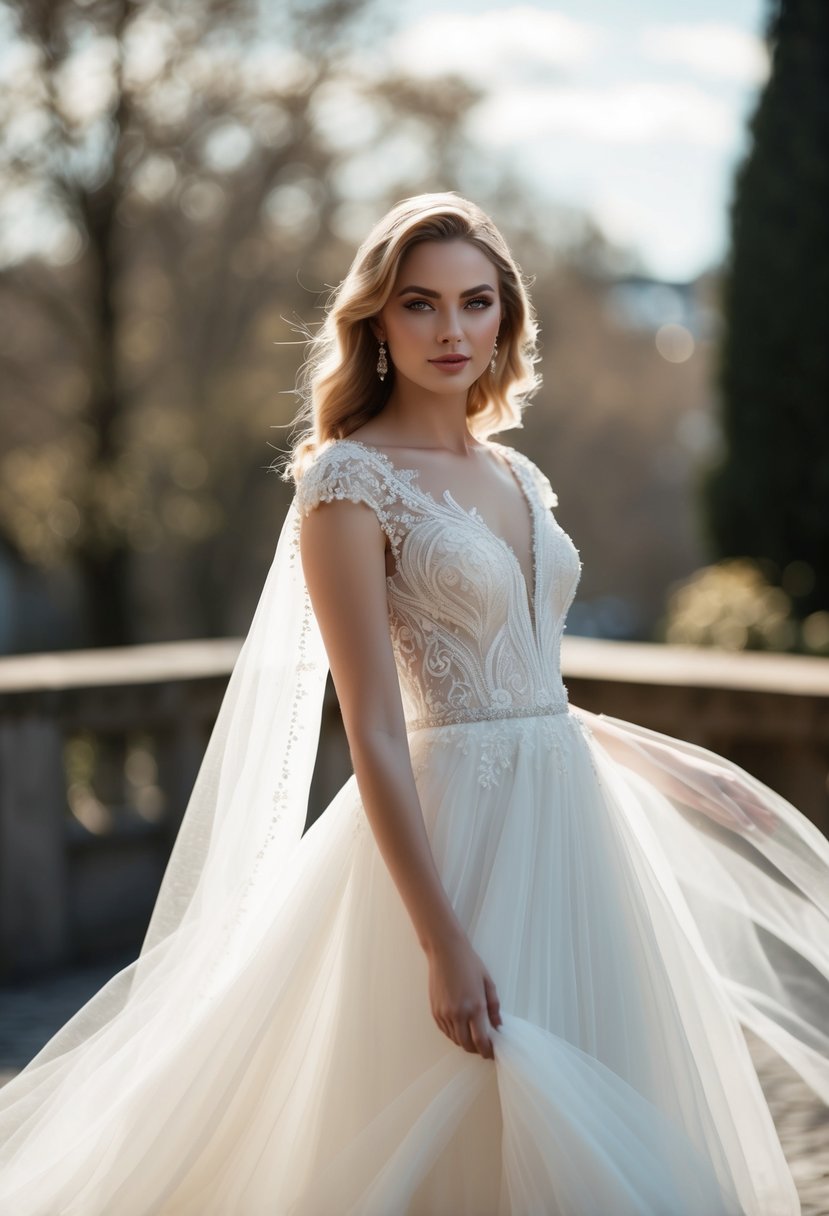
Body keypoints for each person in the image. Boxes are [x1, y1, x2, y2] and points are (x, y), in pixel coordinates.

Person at [0, 192, 827, 1215]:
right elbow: (377, 729)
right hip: (449, 846)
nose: (450, 330)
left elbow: (536, 692)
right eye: (420, 305)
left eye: (474, 304)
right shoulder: (349, 484)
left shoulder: (518, 476)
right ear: (378, 324)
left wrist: (675, 766)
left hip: (575, 832)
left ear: (504, 322)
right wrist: (440, 940)